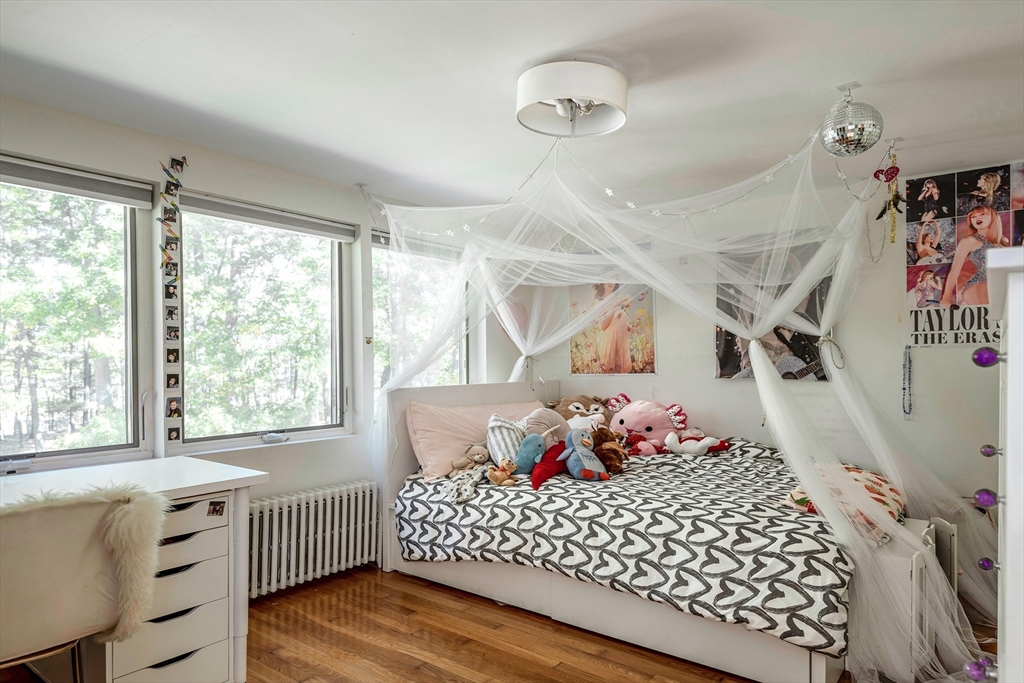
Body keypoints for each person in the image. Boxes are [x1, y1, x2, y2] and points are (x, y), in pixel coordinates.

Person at [941, 205, 1010, 308]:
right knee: (992, 319)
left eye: (982, 214)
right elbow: (954, 270)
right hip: (980, 284)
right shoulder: (968, 241)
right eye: (973, 216)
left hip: (1002, 284)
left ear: (993, 217)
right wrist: (946, 298)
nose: (977, 218)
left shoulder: (1004, 241)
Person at [594, 283, 632, 374]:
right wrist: (620, 302)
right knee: (610, 371)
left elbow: (616, 318)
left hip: (620, 343)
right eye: (607, 278)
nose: (610, 282)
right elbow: (603, 326)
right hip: (609, 343)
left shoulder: (615, 299)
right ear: (601, 282)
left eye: (613, 278)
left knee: (621, 373)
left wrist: (627, 325)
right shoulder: (600, 302)